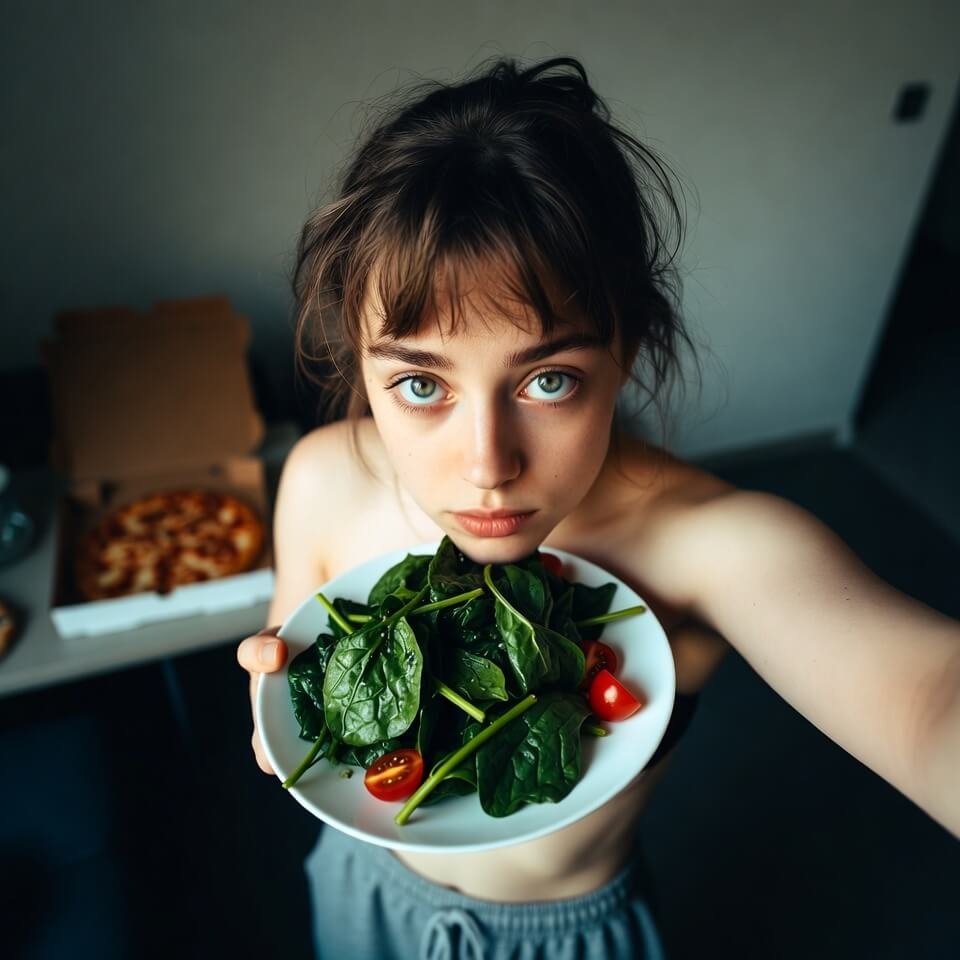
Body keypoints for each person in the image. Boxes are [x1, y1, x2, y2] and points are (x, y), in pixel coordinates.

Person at [236, 55, 960, 959]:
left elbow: (932, 697)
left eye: (548, 379)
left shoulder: (711, 547)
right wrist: (283, 689)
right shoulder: (318, 479)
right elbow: (293, 664)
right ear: (363, 366)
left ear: (629, 346)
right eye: (422, 383)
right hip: (360, 895)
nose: (488, 466)